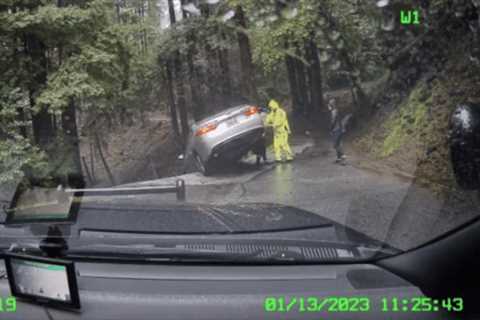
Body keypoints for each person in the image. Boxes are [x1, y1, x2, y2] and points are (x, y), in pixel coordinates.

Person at [328, 98, 346, 164]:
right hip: (339, 129)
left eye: (329, 105)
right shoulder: (336, 111)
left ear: (332, 105)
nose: (328, 106)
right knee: (338, 144)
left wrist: (330, 129)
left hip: (336, 130)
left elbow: (333, 121)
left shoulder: (334, 112)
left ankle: (343, 155)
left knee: (336, 144)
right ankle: (339, 158)